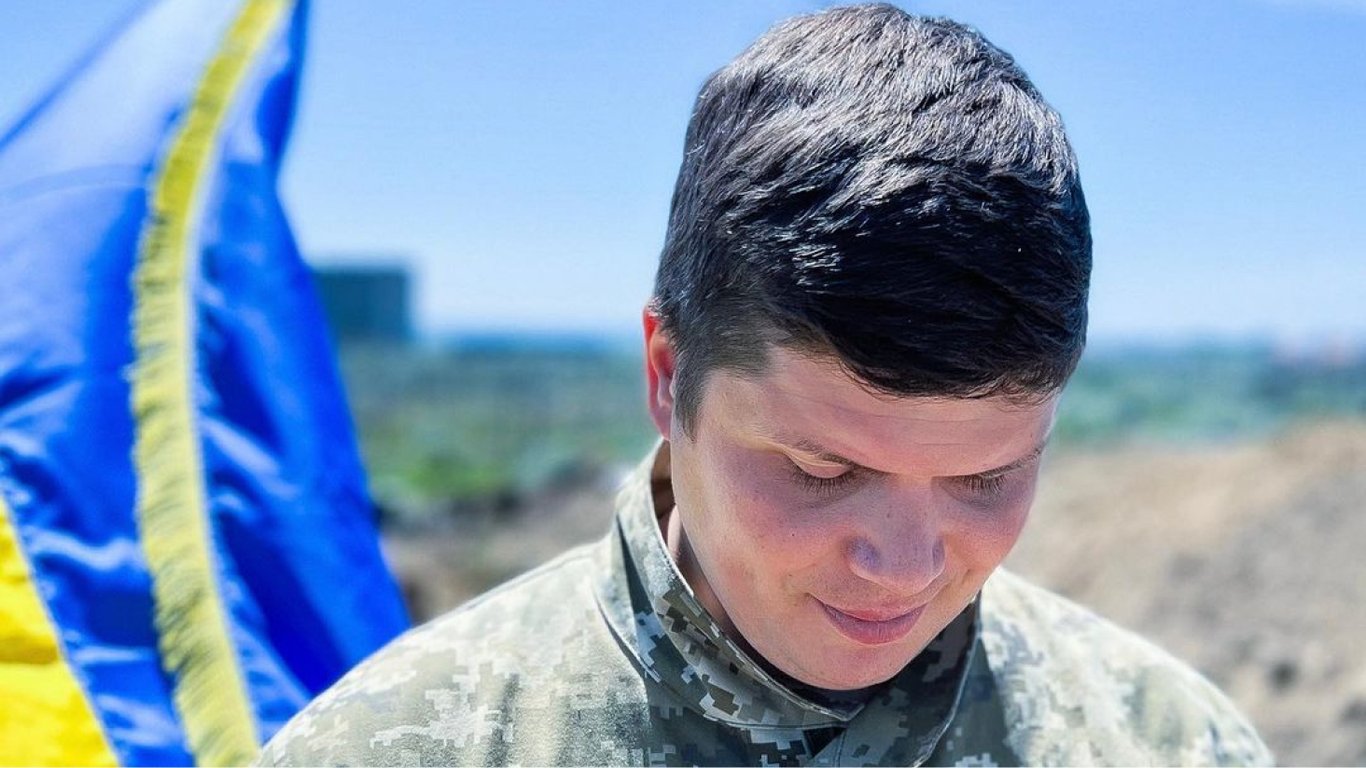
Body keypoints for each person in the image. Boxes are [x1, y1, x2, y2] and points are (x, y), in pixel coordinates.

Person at [258, 5, 1273, 766]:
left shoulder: (1167, 743)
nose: (901, 567)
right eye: (822, 471)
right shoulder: (394, 747)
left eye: (985, 479)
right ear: (669, 377)